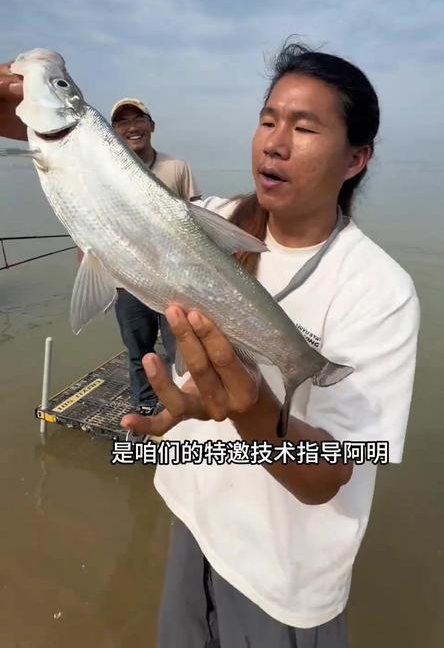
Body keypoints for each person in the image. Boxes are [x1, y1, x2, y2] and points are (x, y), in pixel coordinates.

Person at [0, 43, 419, 648]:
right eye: (268, 119)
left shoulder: (381, 290)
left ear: (356, 159)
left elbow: (330, 475)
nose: (274, 143)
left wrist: (250, 411)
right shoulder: (215, 219)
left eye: (304, 128)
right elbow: (70, 154)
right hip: (194, 520)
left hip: (281, 576)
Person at [110, 97, 201, 415]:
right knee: (138, 350)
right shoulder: (108, 173)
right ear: (113, 132)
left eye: (138, 119)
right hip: (128, 280)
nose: (132, 127)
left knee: (183, 346)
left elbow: (198, 217)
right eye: (122, 122)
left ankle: (186, 405)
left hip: (176, 280)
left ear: (151, 126)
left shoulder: (176, 168)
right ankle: (146, 404)